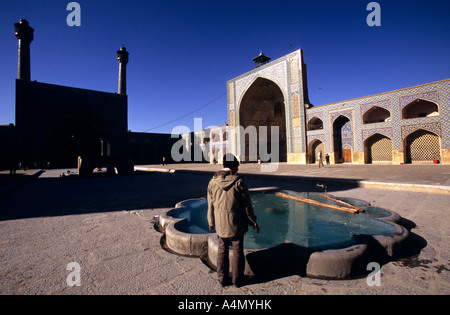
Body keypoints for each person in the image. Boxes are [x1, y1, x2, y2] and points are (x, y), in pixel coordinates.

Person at [207, 153, 259, 288]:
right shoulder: (239, 181)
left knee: (222, 248)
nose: (238, 170)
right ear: (234, 167)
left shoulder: (212, 182)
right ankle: (237, 280)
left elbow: (210, 204)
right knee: (237, 249)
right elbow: (247, 206)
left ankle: (222, 279)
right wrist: (253, 221)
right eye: (237, 167)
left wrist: (211, 221)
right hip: (236, 222)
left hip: (220, 222)